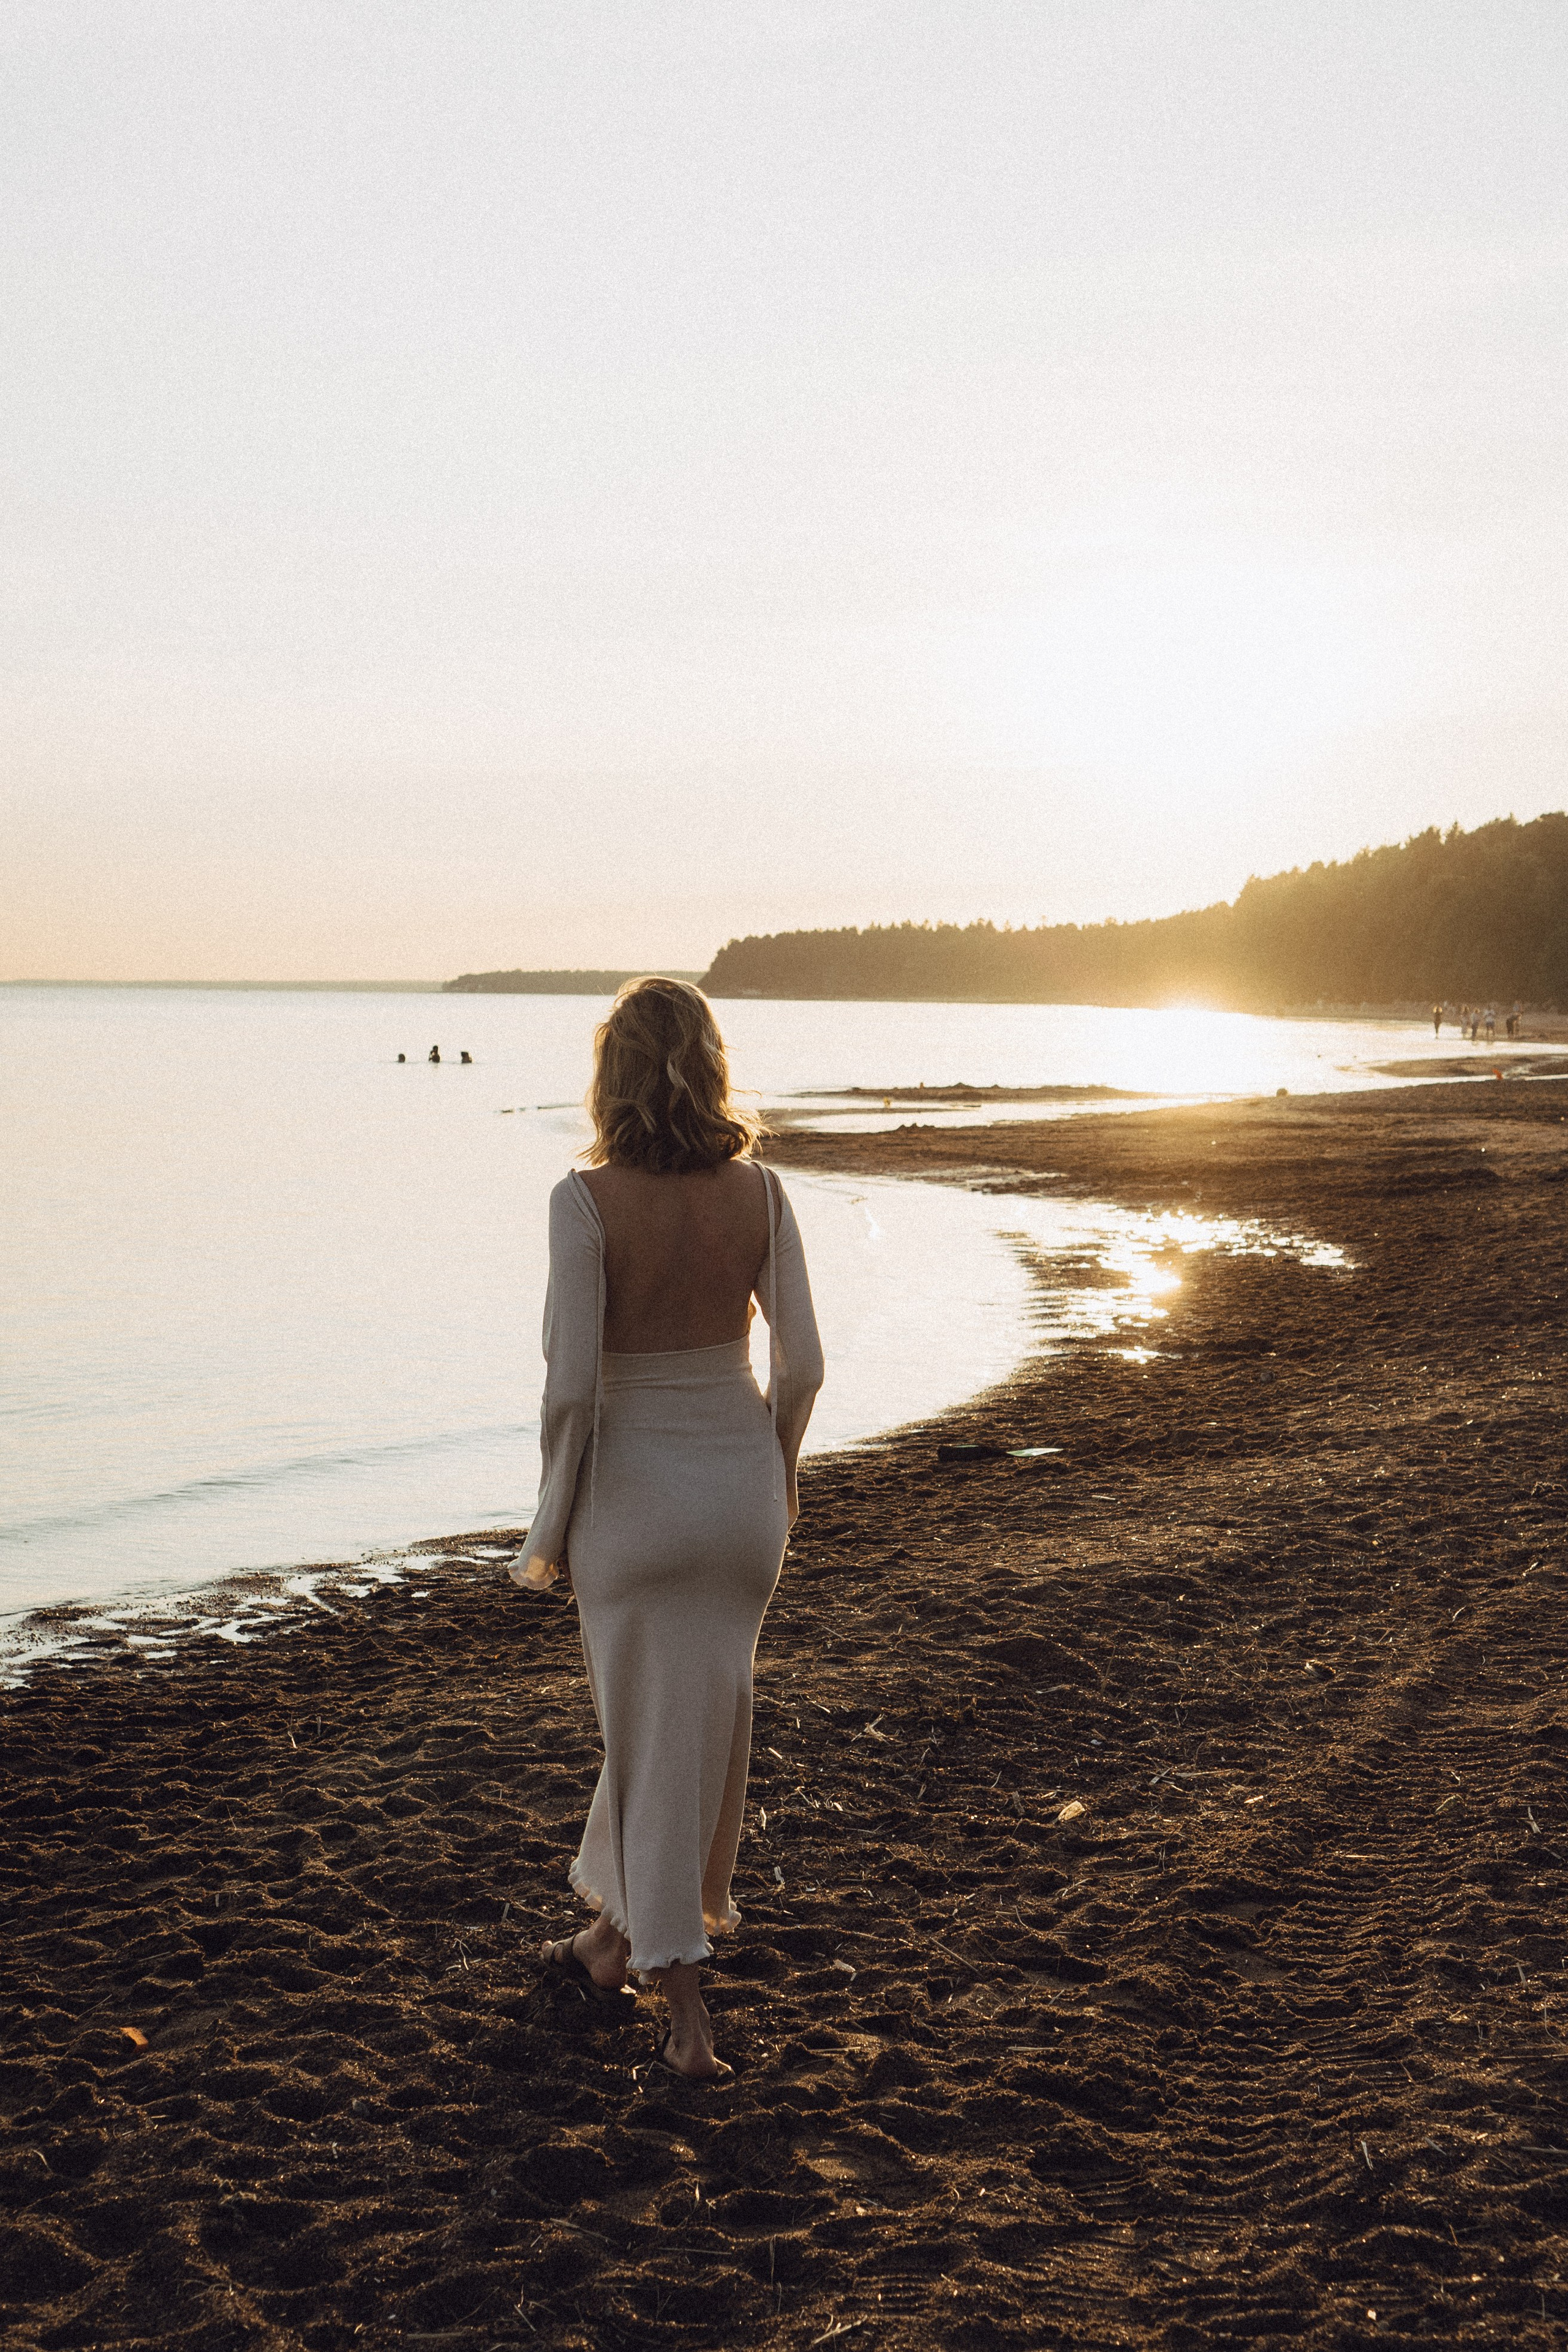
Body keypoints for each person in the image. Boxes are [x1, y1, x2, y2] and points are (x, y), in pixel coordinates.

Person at [514, 977, 824, 2079]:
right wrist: (773, 1472)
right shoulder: (764, 1195)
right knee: (689, 1728)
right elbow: (804, 1365)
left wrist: (551, 1522)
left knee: (650, 1742)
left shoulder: (584, 1200)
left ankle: (687, 2018)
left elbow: (573, 1393)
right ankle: (608, 1940)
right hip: (738, 1498)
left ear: (613, 1074)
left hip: (635, 1504)